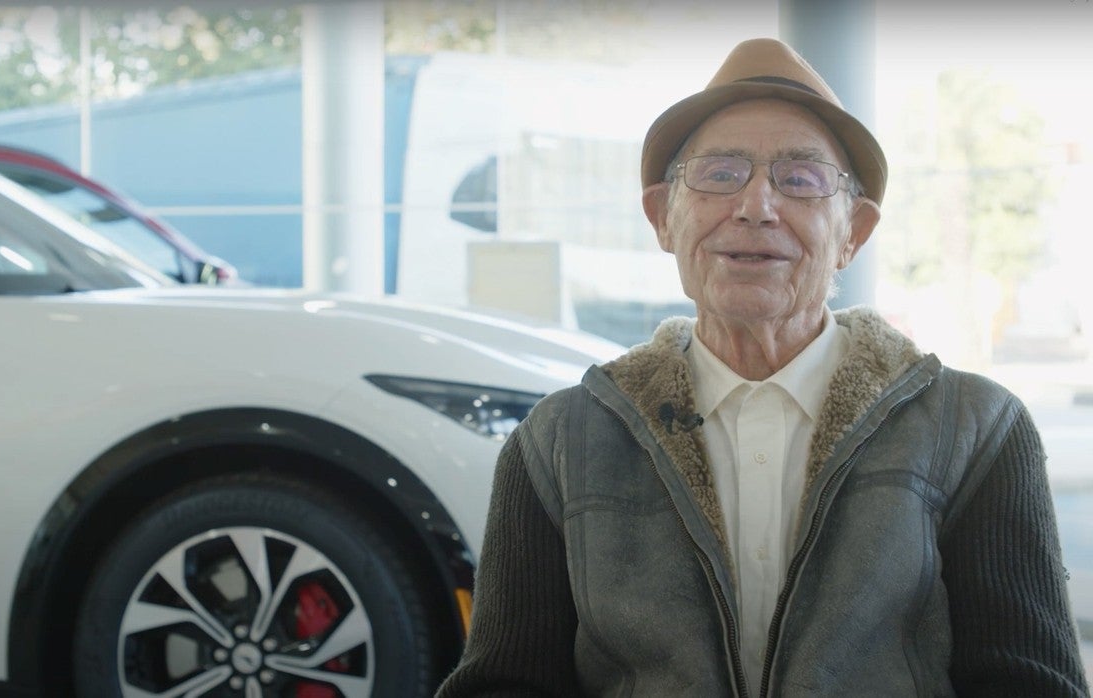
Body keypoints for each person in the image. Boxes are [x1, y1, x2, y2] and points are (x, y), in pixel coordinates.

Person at [435, 37, 1090, 697]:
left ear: (854, 233)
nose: (756, 206)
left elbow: (1028, 682)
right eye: (720, 174)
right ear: (663, 218)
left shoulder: (974, 430)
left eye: (799, 180)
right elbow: (504, 684)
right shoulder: (560, 441)